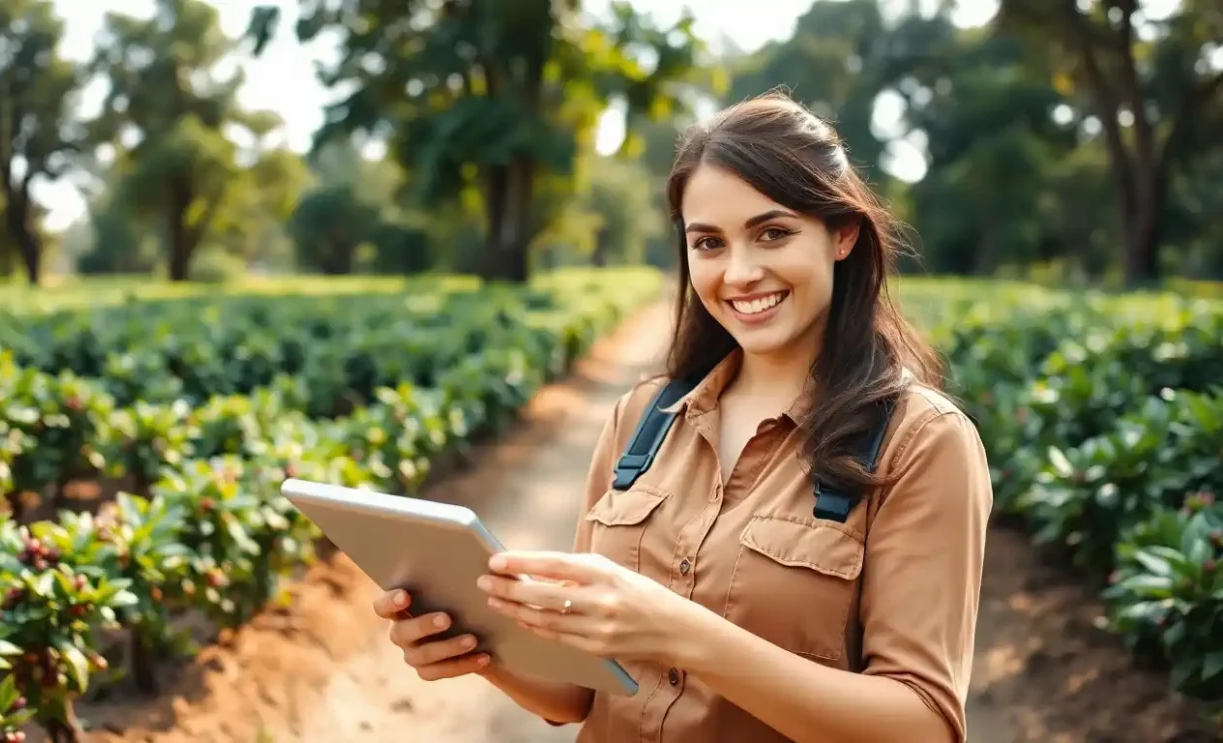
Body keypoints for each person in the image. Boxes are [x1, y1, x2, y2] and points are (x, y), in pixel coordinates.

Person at [370, 89, 993, 743]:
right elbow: (582, 688)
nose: (741, 272)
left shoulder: (921, 443)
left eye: (772, 233)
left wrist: (681, 631)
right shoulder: (642, 417)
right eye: (709, 243)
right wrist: (478, 645)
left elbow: (922, 723)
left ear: (843, 234)